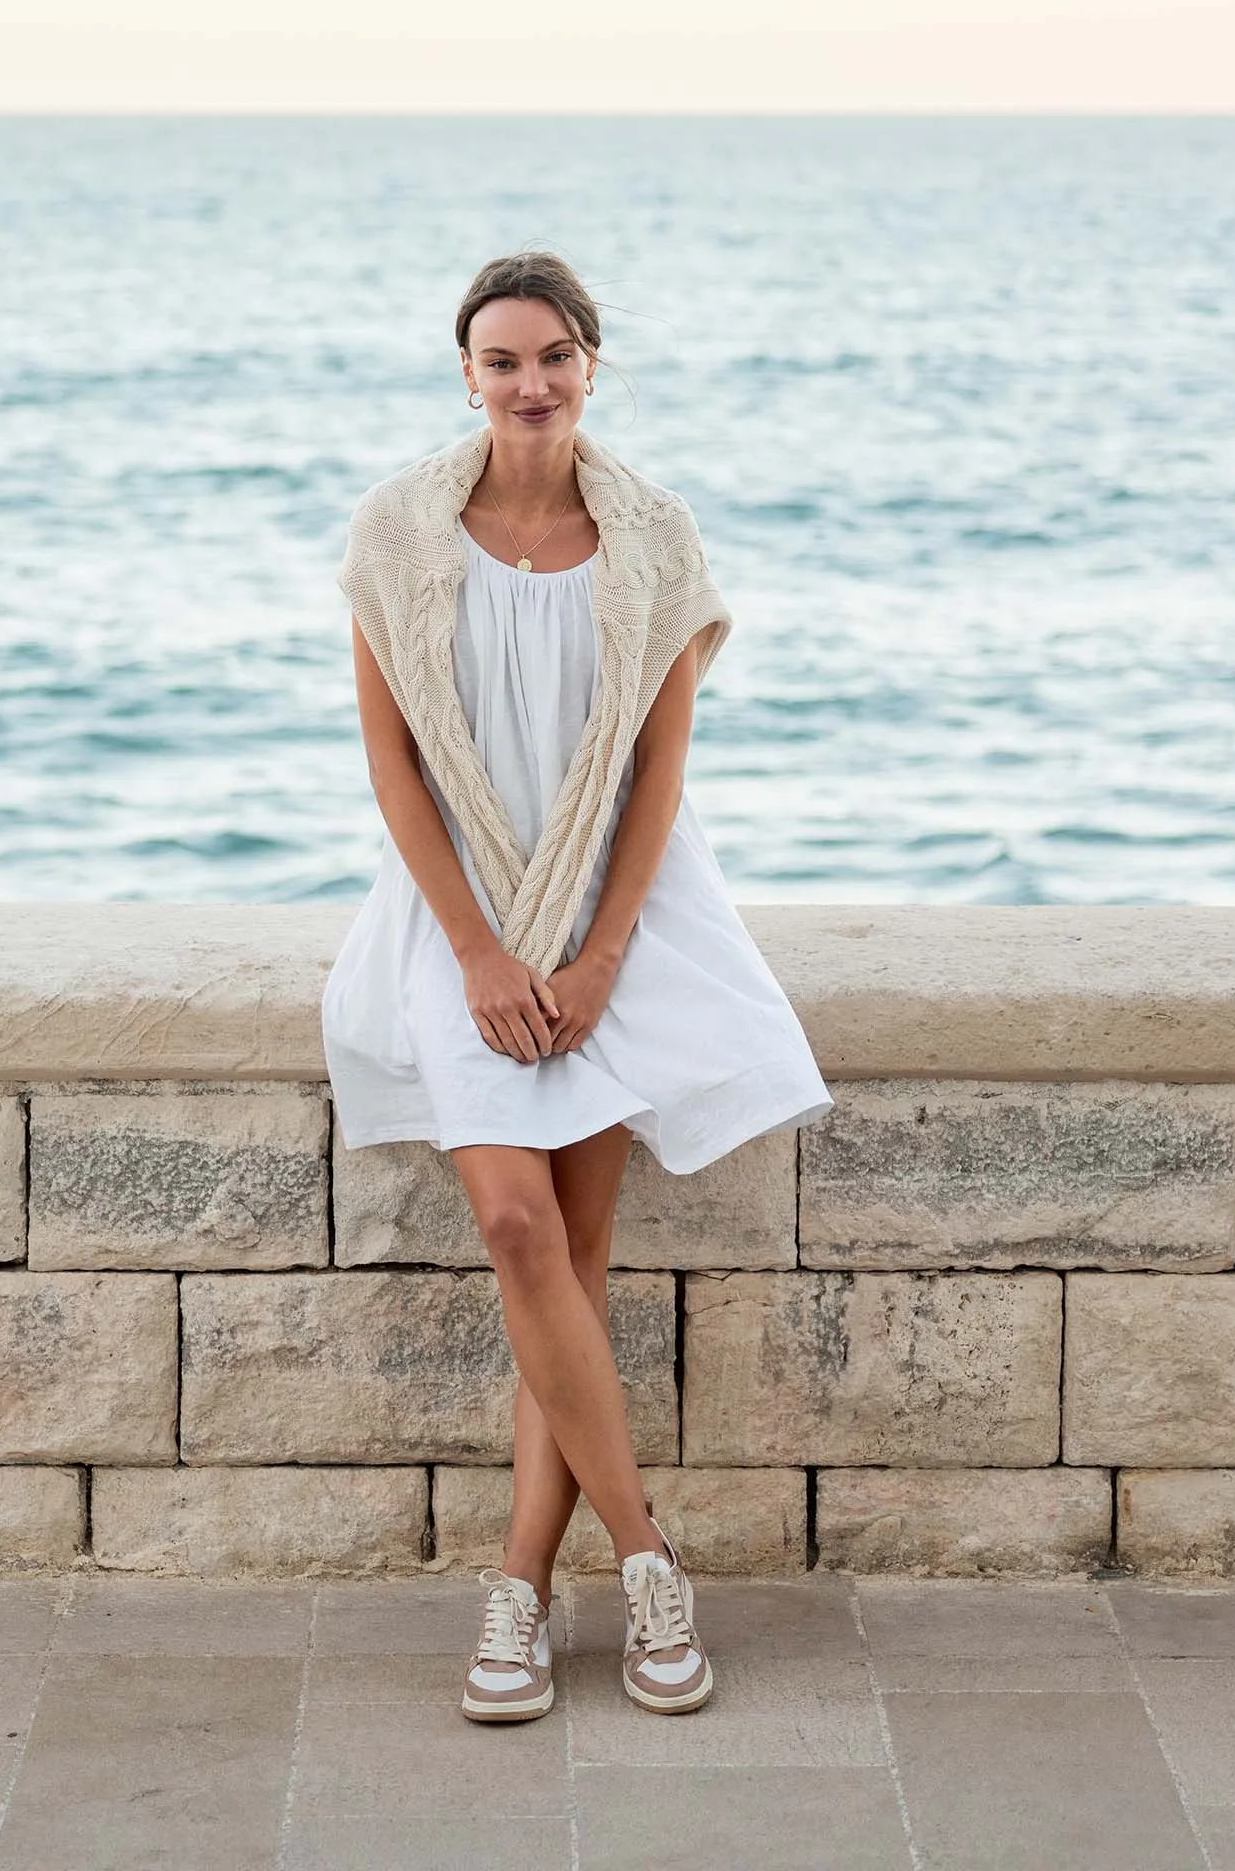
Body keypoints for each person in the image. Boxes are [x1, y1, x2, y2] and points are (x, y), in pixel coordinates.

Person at [322, 248, 832, 1726]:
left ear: (592, 365)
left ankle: (519, 1596)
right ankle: (649, 1555)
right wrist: (483, 950)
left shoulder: (654, 543)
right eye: (502, 361)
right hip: (460, 923)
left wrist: (602, 953)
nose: (530, 381)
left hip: (621, 913)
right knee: (511, 1219)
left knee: (578, 1261)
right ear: (467, 375)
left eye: (554, 356)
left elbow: (660, 771)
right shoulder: (399, 536)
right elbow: (392, 765)